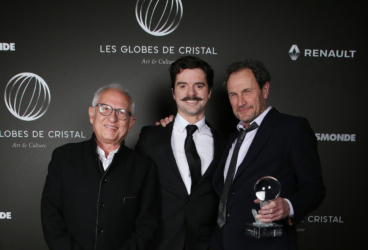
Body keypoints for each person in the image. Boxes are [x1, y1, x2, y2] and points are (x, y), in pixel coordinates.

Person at [210, 59, 325, 250]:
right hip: (222, 243)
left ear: (265, 90)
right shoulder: (231, 138)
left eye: (247, 91)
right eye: (233, 94)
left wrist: (288, 206)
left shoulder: (292, 129)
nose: (241, 102)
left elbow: (314, 189)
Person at [41, 84, 160, 250]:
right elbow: (51, 216)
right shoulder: (64, 157)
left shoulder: (144, 167)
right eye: (105, 109)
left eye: (122, 112)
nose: (112, 118)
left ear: (131, 122)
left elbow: (147, 225)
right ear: (92, 114)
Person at [135, 56, 225, 250]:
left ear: (209, 92)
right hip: (159, 244)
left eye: (199, 86)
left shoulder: (225, 144)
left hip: (207, 245)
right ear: (173, 92)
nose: (190, 93)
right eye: (183, 86)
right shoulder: (150, 138)